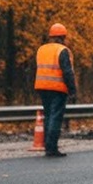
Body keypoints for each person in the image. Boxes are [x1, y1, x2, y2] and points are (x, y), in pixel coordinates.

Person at [34, 22, 76, 157]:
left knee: (48, 116)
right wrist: (72, 89)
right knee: (55, 117)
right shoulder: (62, 50)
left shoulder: (41, 49)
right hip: (57, 88)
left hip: (42, 86)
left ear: (51, 36)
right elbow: (67, 72)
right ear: (63, 37)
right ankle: (52, 147)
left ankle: (48, 145)